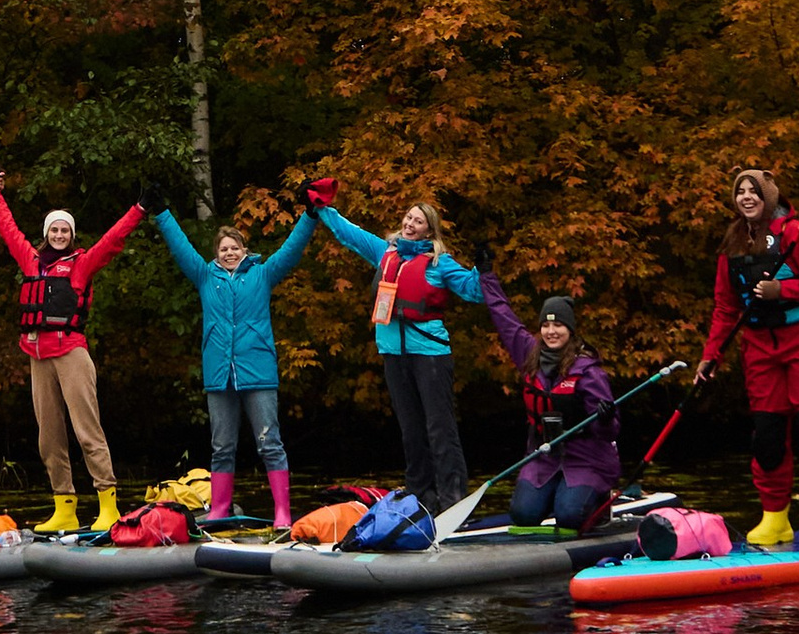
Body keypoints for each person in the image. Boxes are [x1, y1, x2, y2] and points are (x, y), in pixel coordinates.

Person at [691, 163, 799, 551]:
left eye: (753, 191)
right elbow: (725, 307)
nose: (746, 198)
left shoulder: (797, 235)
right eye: (740, 192)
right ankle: (775, 519)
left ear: (767, 197)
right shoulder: (732, 245)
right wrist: (710, 356)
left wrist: (782, 292)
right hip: (759, 351)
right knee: (767, 437)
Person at [305, 174, 477, 512]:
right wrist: (320, 206)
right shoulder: (386, 253)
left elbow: (475, 291)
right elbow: (347, 233)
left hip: (429, 354)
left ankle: (452, 500)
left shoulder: (440, 263)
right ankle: (419, 498)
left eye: (419, 221)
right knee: (411, 431)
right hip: (394, 355)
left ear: (429, 231)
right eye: (409, 217)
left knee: (439, 430)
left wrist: (485, 270)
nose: (410, 224)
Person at [0, 174, 143, 537]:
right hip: (37, 356)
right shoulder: (31, 261)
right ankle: (65, 507)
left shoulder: (82, 263)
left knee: (87, 430)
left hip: (71, 352)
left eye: (64, 231)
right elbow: (8, 229)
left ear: (71, 235)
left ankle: (108, 504)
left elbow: (113, 240)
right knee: (49, 436)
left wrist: (139, 209)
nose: (59, 235)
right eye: (54, 230)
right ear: (47, 233)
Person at [154, 200, 312, 530]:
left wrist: (310, 215)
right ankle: (220, 510)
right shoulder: (204, 276)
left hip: (258, 373)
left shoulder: (263, 274)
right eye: (223, 248)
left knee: (270, 443)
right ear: (216, 254)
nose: (229, 252)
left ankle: (282, 513)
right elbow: (180, 247)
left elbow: (292, 249)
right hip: (219, 375)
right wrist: (163, 212)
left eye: (234, 247)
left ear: (244, 249)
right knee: (221, 447)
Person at [478, 276, 617, 530]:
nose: (551, 332)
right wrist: (487, 276)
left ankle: (592, 498)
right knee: (523, 514)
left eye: (559, 326)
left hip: (586, 458)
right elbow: (503, 318)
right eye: (545, 326)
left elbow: (610, 432)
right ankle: (556, 494)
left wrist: (605, 418)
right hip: (544, 457)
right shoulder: (529, 355)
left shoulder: (588, 370)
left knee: (570, 516)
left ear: (570, 330)